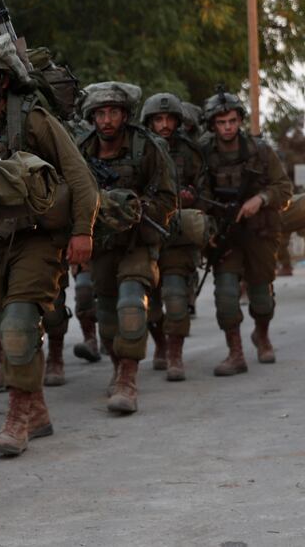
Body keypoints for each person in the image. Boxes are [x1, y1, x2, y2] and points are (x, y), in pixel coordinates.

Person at [0, 35, 98, 454]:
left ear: (3, 80)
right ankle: (37, 411)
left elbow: (80, 178)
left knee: (19, 325)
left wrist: (82, 231)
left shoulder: (33, 120)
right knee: (3, 324)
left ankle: (17, 419)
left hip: (37, 237)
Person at [78, 82, 177, 413]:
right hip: (102, 243)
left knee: (133, 306)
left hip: (138, 241)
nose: (107, 120)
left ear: (125, 115)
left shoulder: (147, 147)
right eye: (100, 113)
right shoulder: (81, 149)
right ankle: (117, 367)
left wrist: (136, 208)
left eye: (114, 113)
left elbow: (167, 198)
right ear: (92, 117)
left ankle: (128, 380)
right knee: (105, 314)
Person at [199, 91, 292, 374]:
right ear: (212, 125)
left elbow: (283, 188)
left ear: (239, 120)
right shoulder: (203, 153)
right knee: (226, 295)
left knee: (262, 296)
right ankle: (235, 353)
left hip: (259, 232)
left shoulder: (260, 150)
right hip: (226, 234)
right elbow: (198, 194)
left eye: (232, 120)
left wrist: (260, 199)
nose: (227, 127)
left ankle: (261, 336)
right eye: (221, 122)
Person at [140, 92, 206, 381]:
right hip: (146, 232)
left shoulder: (191, 151)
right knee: (149, 304)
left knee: (176, 298)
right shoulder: (138, 147)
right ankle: (161, 346)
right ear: (149, 121)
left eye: (169, 119)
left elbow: (206, 188)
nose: (164, 124)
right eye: (158, 119)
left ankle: (176, 355)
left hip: (178, 235)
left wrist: (194, 196)